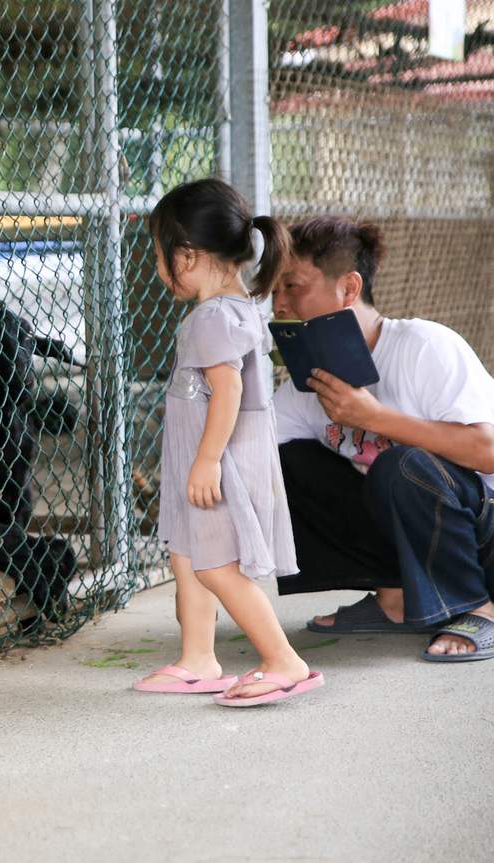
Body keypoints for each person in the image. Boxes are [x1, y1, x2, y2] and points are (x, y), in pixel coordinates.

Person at [133, 178, 323, 705]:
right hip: (207, 452)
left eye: (158, 256)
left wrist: (207, 461)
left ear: (187, 255)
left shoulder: (212, 317)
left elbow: (228, 388)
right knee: (188, 554)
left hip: (218, 457)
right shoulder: (237, 309)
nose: (156, 269)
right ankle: (198, 660)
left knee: (216, 564)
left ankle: (283, 661)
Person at [272, 216, 494, 661]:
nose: (279, 305)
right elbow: (250, 454)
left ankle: (478, 607)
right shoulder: (308, 384)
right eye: (273, 291)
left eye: (292, 287)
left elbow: (487, 452)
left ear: (349, 289)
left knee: (402, 465)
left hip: (484, 535)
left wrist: (376, 418)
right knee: (281, 461)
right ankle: (395, 600)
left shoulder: (425, 345)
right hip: (421, 538)